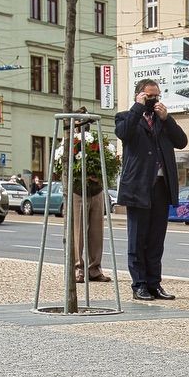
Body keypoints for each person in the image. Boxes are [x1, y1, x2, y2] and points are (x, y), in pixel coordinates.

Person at [116, 78, 186, 300]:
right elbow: (123, 133)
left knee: (156, 240)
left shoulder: (162, 121)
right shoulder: (126, 117)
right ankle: (139, 284)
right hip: (138, 187)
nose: (153, 100)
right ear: (139, 95)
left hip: (161, 187)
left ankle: (155, 284)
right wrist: (137, 107)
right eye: (149, 96)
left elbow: (182, 141)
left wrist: (167, 118)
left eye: (156, 96)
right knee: (137, 239)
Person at [65, 114, 110, 284]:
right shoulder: (69, 142)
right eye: (80, 123)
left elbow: (106, 163)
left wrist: (99, 176)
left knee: (97, 232)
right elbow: (63, 167)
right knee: (78, 232)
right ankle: (78, 268)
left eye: (86, 122)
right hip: (78, 191)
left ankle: (94, 268)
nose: (83, 126)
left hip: (96, 190)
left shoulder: (96, 141)